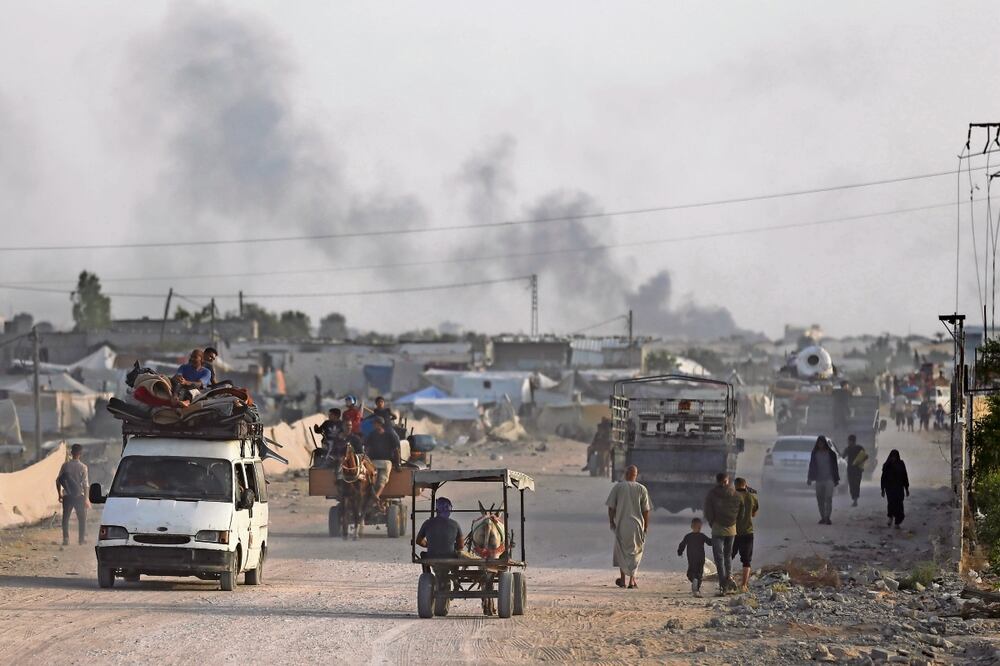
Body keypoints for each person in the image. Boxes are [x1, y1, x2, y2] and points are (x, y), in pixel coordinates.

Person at [606, 465, 650, 589]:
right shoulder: (642, 489)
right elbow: (646, 510)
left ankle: (623, 580)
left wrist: (611, 521)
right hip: (637, 526)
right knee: (635, 552)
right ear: (636, 475)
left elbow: (611, 507)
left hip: (622, 525)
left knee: (622, 552)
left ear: (626, 474)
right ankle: (632, 580)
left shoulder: (618, 487)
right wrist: (646, 526)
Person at [703, 472, 741, 595]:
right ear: (727, 480)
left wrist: (712, 522)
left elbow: (708, 511)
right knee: (727, 555)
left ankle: (722, 584)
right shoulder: (735, 494)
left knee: (719, 558)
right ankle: (729, 577)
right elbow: (740, 510)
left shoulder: (712, 494)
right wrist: (734, 521)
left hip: (717, 528)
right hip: (731, 529)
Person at [56, 444, 90, 546]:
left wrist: (59, 494)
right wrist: (86, 498)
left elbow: (58, 480)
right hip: (79, 496)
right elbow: (85, 485)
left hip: (67, 495)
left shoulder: (65, 465)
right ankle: (81, 540)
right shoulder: (83, 467)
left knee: (65, 518)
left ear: (71, 453)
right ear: (80, 454)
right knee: (82, 518)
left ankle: (66, 539)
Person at [363, 417, 401, 503]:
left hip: (386, 461)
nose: (373, 425)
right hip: (373, 462)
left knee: (382, 479)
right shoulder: (372, 435)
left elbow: (396, 450)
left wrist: (398, 463)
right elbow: (367, 448)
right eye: (373, 424)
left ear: (380, 424)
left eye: (375, 423)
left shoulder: (390, 435)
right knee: (371, 479)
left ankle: (376, 496)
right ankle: (372, 495)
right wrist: (365, 459)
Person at [731, 477, 759, 593]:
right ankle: (744, 585)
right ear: (745, 485)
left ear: (735, 485)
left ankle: (727, 580)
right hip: (748, 532)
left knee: (728, 557)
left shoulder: (732, 497)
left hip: (732, 532)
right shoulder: (752, 497)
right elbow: (753, 514)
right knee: (746, 561)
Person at [807, 436, 839, 525]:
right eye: (819, 443)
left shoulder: (831, 454)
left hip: (829, 479)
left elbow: (835, 467)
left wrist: (836, 479)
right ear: (817, 444)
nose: (820, 445)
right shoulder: (814, 454)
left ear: (825, 444)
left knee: (828, 498)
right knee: (820, 499)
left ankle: (827, 517)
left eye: (822, 443)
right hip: (819, 479)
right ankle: (823, 517)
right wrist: (809, 478)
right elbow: (811, 466)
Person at [678, 517, 711, 597]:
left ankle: (693, 579)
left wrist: (680, 552)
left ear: (691, 526)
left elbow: (682, 545)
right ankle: (697, 590)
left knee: (690, 573)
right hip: (701, 558)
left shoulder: (688, 536)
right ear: (700, 527)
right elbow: (710, 542)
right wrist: (716, 538)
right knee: (699, 573)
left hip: (692, 558)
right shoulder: (702, 536)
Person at [881, 449, 910, 529]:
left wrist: (906, 488)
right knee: (891, 503)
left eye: (895, 456)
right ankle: (890, 517)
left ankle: (897, 522)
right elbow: (883, 478)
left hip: (899, 488)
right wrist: (882, 489)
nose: (893, 458)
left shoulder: (901, 464)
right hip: (889, 488)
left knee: (899, 505)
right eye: (892, 456)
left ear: (897, 457)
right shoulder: (887, 465)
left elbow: (905, 476)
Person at [843, 434, 868, 507]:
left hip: (855, 470)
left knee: (854, 485)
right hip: (854, 470)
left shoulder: (852, 448)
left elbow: (843, 456)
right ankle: (855, 499)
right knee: (853, 485)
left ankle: (855, 500)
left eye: (849, 441)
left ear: (851, 441)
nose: (848, 442)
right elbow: (865, 456)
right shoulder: (856, 448)